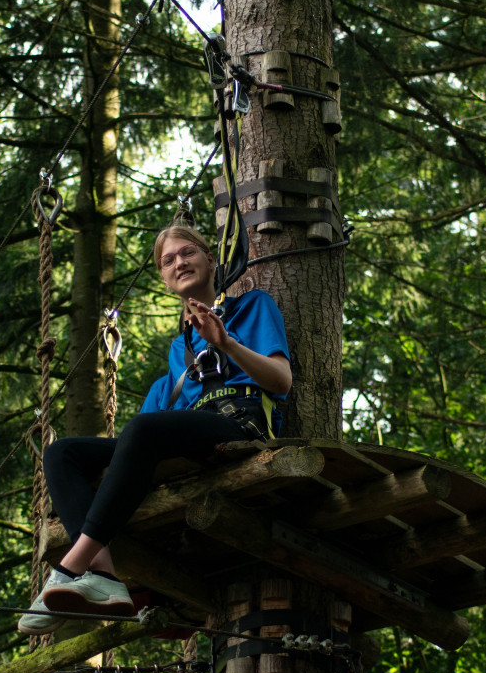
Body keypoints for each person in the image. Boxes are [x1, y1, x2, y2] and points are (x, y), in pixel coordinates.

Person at [19, 224, 292, 634]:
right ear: (164, 279)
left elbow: (281, 381)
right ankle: (103, 573)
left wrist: (225, 343)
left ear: (210, 259)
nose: (179, 263)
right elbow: (141, 434)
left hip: (240, 422)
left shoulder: (252, 307)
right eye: (169, 261)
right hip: (191, 432)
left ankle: (71, 566)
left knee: (144, 429)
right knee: (63, 453)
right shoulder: (177, 352)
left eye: (187, 253)